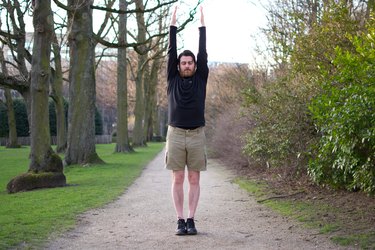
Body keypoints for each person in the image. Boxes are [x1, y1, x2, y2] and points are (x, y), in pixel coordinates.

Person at [165, 5, 209, 236]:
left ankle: (191, 219)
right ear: (179, 65)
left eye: (190, 62)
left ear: (194, 65)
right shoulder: (172, 77)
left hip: (196, 134)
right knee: (178, 177)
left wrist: (202, 25)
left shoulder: (201, 76)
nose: (187, 65)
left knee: (193, 177)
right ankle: (179, 220)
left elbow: (203, 52)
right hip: (175, 133)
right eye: (184, 62)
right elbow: (171, 50)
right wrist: (172, 23)